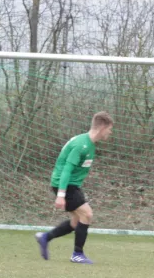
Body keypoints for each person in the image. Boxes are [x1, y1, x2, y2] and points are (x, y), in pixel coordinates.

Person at [35, 111, 114, 264]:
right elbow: (66, 169)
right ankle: (77, 254)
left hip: (71, 185)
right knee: (87, 214)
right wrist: (61, 195)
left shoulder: (89, 144)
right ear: (102, 127)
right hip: (64, 184)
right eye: (109, 129)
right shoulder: (81, 145)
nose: (110, 133)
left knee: (76, 222)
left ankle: (45, 237)